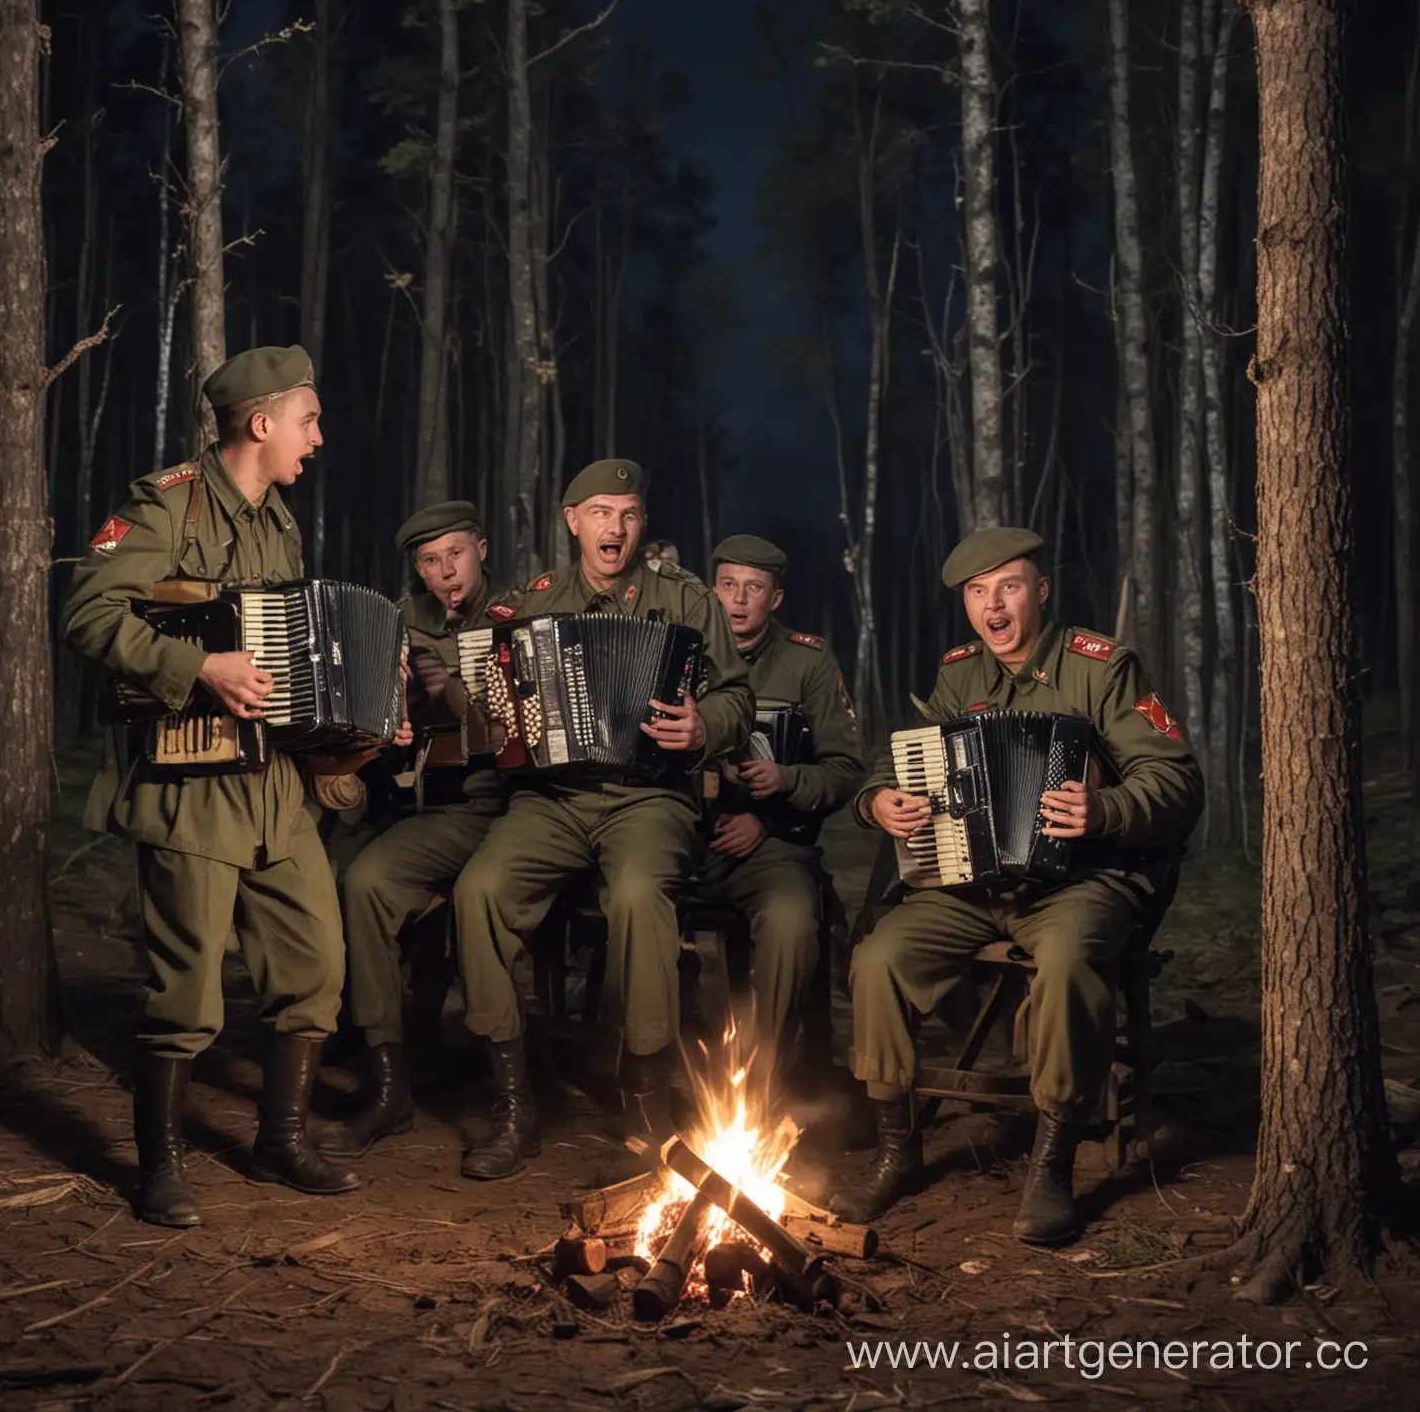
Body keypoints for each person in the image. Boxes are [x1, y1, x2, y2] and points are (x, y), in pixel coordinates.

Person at [829, 527, 1203, 1245]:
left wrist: (1107, 809)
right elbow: (899, 762)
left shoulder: (1101, 667)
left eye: (1007, 587)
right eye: (976, 593)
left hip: (1081, 882)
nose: (991, 607)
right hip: (973, 885)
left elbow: (1177, 781)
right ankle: (897, 1148)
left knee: (1066, 964)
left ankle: (1053, 1161)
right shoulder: (960, 674)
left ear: (1040, 591)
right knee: (879, 959)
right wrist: (878, 801)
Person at [62, 345, 363, 1228]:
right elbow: (88, 612)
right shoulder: (165, 504)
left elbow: (287, 649)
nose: (319, 436)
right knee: (185, 987)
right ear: (262, 424)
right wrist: (198, 667)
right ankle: (159, 1166)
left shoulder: (279, 522)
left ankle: (281, 1141)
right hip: (190, 781)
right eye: (308, 420)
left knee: (316, 964)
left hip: (275, 781)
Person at [450, 459, 755, 1179]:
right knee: (479, 891)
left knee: (638, 897)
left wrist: (701, 724)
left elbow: (738, 698)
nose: (614, 528)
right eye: (599, 513)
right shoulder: (536, 602)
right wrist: (498, 711)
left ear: (642, 523)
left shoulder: (686, 601)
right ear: (573, 521)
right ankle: (515, 1103)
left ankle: (645, 1100)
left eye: (628, 514)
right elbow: (500, 714)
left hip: (649, 796)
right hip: (553, 798)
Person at [318, 501, 511, 1158]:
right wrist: (393, 721)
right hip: (441, 807)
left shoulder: (523, 613)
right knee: (366, 880)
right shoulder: (398, 622)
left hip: (519, 803)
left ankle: (508, 1088)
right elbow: (377, 732)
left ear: (481, 549)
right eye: (429, 561)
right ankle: (388, 1082)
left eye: (454, 554)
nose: (444, 572)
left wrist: (459, 691)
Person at [702, 535, 865, 1065]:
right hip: (682, 834)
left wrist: (786, 786)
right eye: (728, 585)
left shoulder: (807, 662)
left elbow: (844, 772)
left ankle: (761, 1075)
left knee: (794, 919)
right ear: (713, 590)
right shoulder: (680, 650)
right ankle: (655, 1071)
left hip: (771, 843)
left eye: (754, 588)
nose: (739, 599)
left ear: (775, 599)